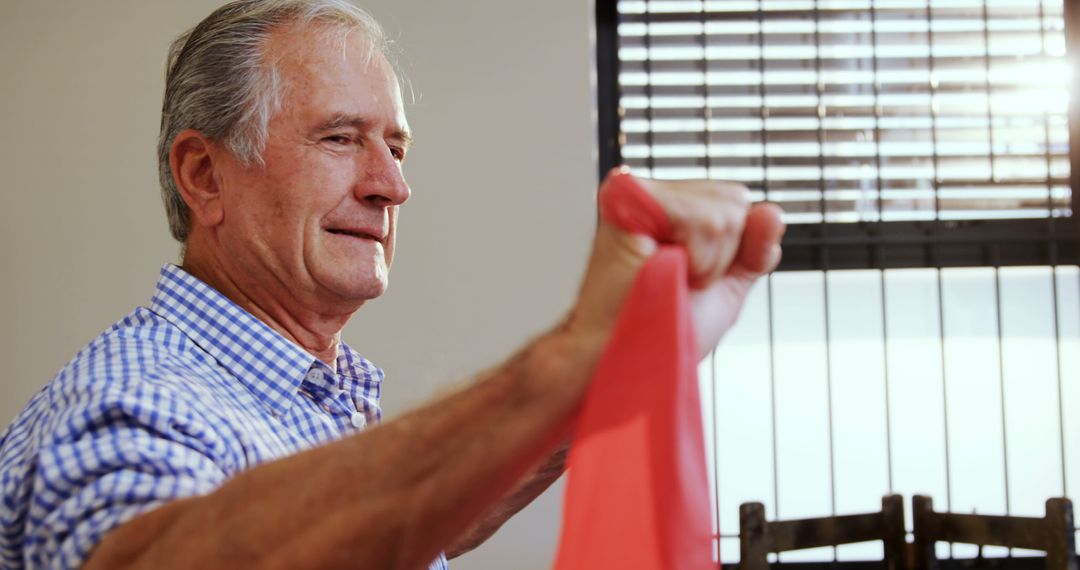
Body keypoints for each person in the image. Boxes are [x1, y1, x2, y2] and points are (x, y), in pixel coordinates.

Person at [0, 0, 785, 568]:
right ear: (205, 176)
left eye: (397, 147)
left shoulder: (296, 389)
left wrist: (597, 389)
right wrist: (563, 360)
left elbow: (386, 537)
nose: (391, 186)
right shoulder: (135, 398)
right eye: (340, 138)